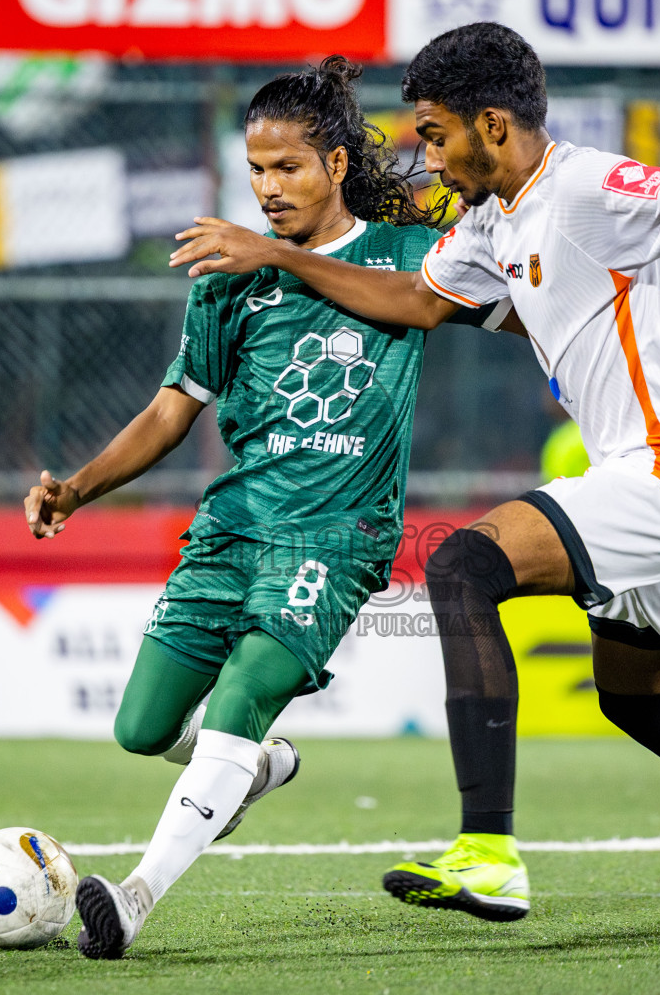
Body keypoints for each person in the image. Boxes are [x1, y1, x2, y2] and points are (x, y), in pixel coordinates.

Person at [170, 22, 660, 933]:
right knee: (643, 704)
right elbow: (416, 299)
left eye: (435, 136)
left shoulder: (585, 185)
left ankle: (488, 850)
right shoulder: (492, 221)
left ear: (492, 125)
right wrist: (279, 253)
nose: (427, 157)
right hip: (656, 476)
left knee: (461, 567)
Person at [25, 56, 504, 959]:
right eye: (255, 169)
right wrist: (77, 487)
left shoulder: (410, 258)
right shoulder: (225, 277)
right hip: (233, 527)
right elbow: (174, 409)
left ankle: (132, 899)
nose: (267, 188)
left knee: (244, 693)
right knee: (142, 729)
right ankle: (259, 768)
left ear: (333, 163)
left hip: (338, 534)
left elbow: (503, 305)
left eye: (286, 167)